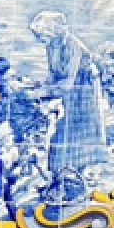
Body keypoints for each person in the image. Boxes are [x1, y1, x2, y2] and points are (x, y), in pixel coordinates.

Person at [29, 10, 106, 176]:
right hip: (67, 85)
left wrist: (44, 92)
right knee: (64, 125)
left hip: (84, 84)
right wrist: (40, 86)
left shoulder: (73, 46)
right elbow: (52, 74)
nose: (42, 40)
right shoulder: (51, 46)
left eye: (44, 35)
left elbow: (69, 82)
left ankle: (81, 166)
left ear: (54, 31)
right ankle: (62, 167)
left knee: (79, 123)